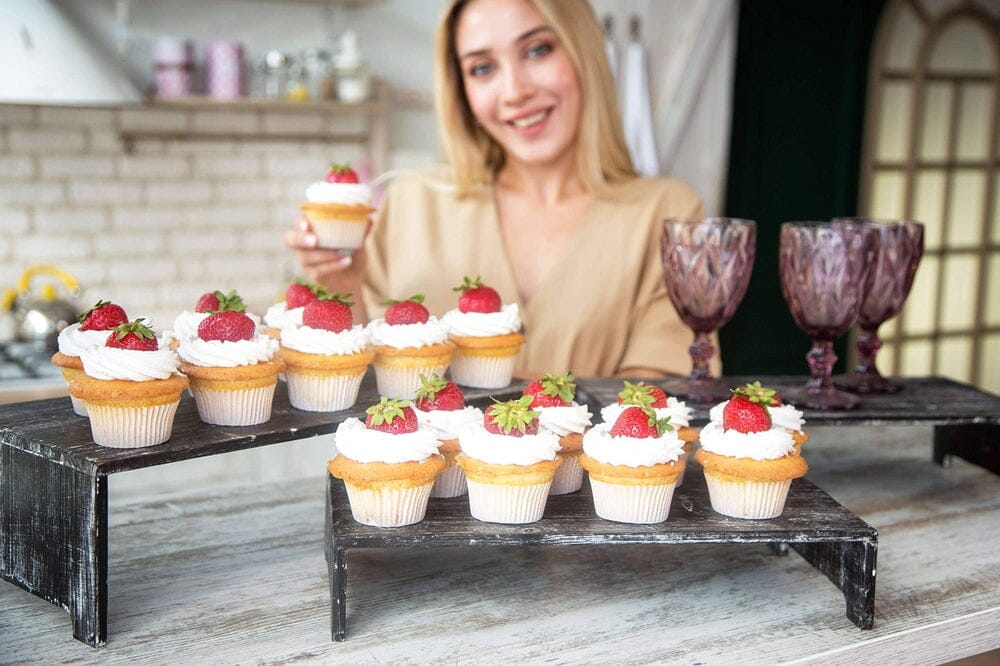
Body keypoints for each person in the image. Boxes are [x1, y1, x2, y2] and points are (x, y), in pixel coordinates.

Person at [285, 0, 716, 379]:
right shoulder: (412, 202)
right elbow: (361, 382)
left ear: (584, 51)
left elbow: (655, 400)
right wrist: (343, 285)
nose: (515, 92)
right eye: (482, 68)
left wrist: (467, 380)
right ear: (462, 89)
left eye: (538, 49)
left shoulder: (670, 212)